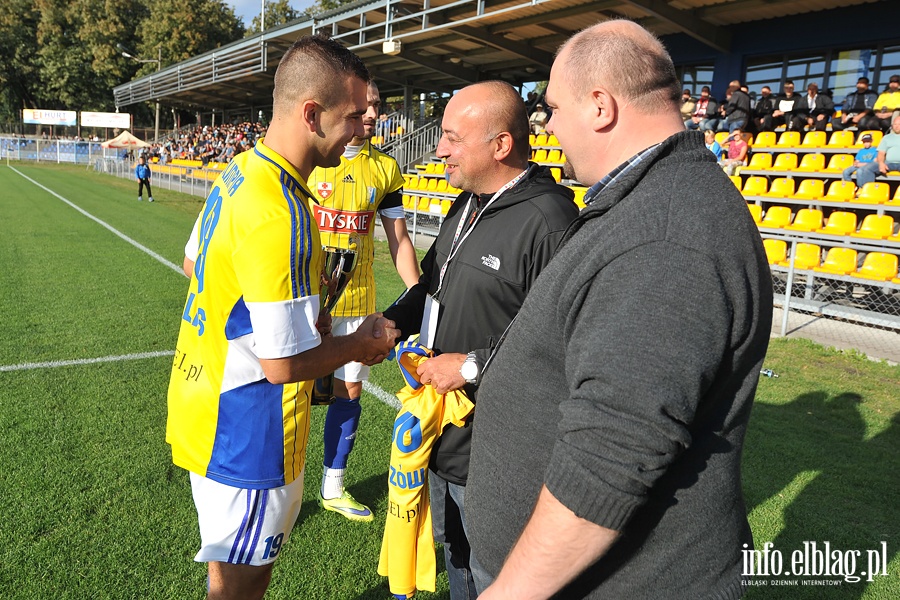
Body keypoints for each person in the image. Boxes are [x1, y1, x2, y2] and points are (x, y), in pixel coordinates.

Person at [466, 19, 773, 600]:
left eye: (553, 108)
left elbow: (609, 460)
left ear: (600, 106)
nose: (548, 127)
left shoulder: (666, 234)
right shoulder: (653, 202)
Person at [167, 34, 400, 600]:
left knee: (228, 572)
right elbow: (280, 365)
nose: (357, 132)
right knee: (243, 587)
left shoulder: (240, 172)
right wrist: (359, 344)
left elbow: (194, 263)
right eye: (351, 118)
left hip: (204, 401)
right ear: (313, 114)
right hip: (249, 431)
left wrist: (285, 317)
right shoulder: (284, 212)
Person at [381, 80, 579, 600]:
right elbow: (432, 284)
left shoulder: (550, 220)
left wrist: (468, 366)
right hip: (443, 428)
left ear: (500, 145)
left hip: (501, 443)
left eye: (451, 138)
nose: (439, 150)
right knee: (456, 558)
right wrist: (390, 323)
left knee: (500, 571)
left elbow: (561, 335)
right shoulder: (466, 203)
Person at [306, 79, 420, 522]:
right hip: (304, 301)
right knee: (290, 390)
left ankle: (332, 486)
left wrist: (417, 294)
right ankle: (278, 486)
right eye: (365, 106)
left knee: (348, 390)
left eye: (378, 106)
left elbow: (399, 240)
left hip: (357, 303)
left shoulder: (387, 169)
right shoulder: (313, 161)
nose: (373, 114)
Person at [855, 115, 900, 189]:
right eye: (895, 124)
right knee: (868, 168)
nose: (897, 126)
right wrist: (881, 163)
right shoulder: (886, 138)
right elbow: (881, 153)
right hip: (889, 163)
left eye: (899, 124)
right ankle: (867, 191)